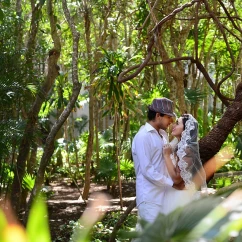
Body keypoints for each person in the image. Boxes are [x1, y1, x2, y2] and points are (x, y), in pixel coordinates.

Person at [132, 97, 184, 225]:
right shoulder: (143, 136)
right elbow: (147, 170)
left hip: (164, 197)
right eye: (168, 117)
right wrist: (172, 183)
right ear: (158, 115)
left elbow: (167, 154)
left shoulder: (163, 135)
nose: (171, 121)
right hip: (150, 197)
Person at [162, 114, 207, 215]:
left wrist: (166, 156)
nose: (173, 125)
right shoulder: (177, 148)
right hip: (175, 196)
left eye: (177, 123)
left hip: (184, 199)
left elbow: (177, 179)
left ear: (186, 130)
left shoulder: (187, 150)